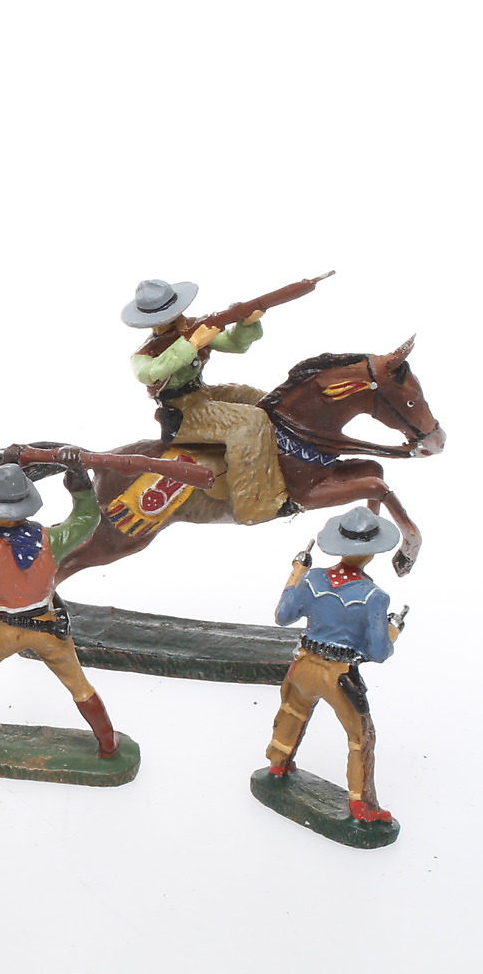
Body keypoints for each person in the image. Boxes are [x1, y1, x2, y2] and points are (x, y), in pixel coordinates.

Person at [0, 450, 120, 756]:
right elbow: (86, 519)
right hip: (48, 627)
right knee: (79, 685)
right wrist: (79, 480)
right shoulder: (52, 540)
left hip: (2, 630)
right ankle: (108, 742)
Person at [263, 507, 406, 823]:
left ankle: (277, 765)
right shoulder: (373, 597)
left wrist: (296, 573)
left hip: (303, 665)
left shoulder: (313, 578)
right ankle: (362, 805)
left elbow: (283, 615)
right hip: (338, 675)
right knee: (360, 737)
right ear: (371, 553)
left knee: (291, 713)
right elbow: (378, 652)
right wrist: (392, 630)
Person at [123, 278, 285, 525]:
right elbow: (150, 373)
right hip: (180, 412)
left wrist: (247, 323)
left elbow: (234, 344)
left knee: (260, 399)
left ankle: (284, 459)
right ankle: (253, 505)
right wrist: (192, 343)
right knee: (250, 422)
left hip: (202, 394)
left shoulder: (191, 328)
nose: (179, 318)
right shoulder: (147, 353)